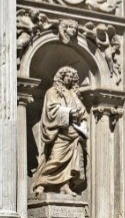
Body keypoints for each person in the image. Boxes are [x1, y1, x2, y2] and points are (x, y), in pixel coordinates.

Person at [33, 67, 88, 196]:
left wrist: (81, 116)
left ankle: (65, 185)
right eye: (67, 76)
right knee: (56, 159)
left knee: (70, 162)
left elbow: (82, 111)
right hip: (60, 132)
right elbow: (51, 110)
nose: (69, 78)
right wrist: (68, 113)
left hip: (73, 132)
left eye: (71, 77)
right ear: (61, 77)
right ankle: (41, 183)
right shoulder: (52, 92)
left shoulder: (74, 94)